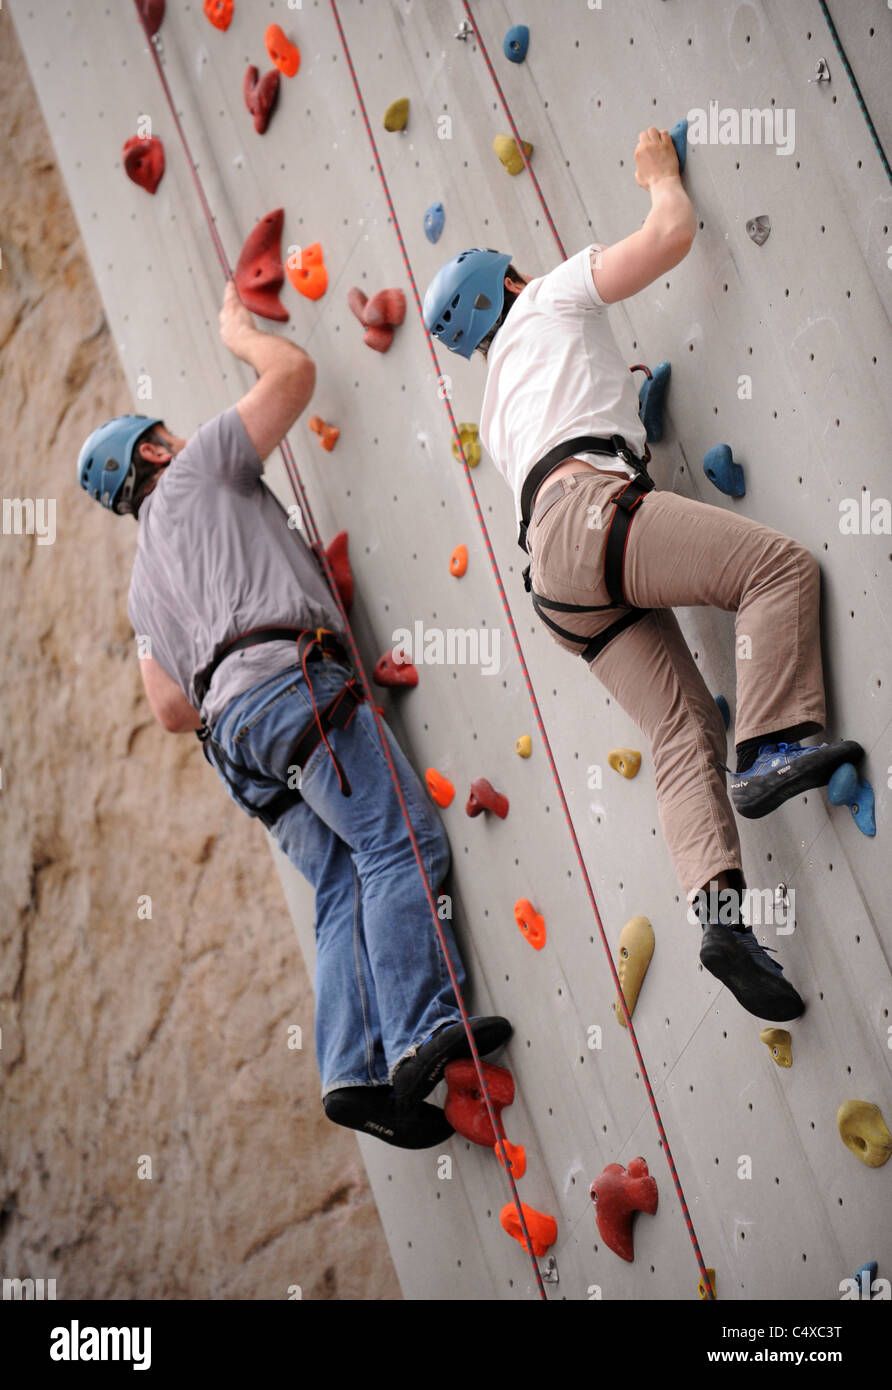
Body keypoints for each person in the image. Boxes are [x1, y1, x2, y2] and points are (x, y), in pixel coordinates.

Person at [422, 126, 864, 1023]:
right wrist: (660, 176)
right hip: (593, 518)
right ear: (507, 283)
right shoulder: (546, 298)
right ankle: (774, 748)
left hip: (555, 588)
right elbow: (667, 237)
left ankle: (719, 917)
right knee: (774, 571)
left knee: (677, 725)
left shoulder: (498, 399)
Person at [77, 279, 511, 1147]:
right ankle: (426, 1027)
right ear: (157, 454)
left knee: (343, 881)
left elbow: (168, 708)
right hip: (289, 687)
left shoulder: (140, 591)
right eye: (165, 437)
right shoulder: (199, 467)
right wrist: (241, 331)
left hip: (240, 745)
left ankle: (350, 1068)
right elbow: (295, 376)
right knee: (397, 844)